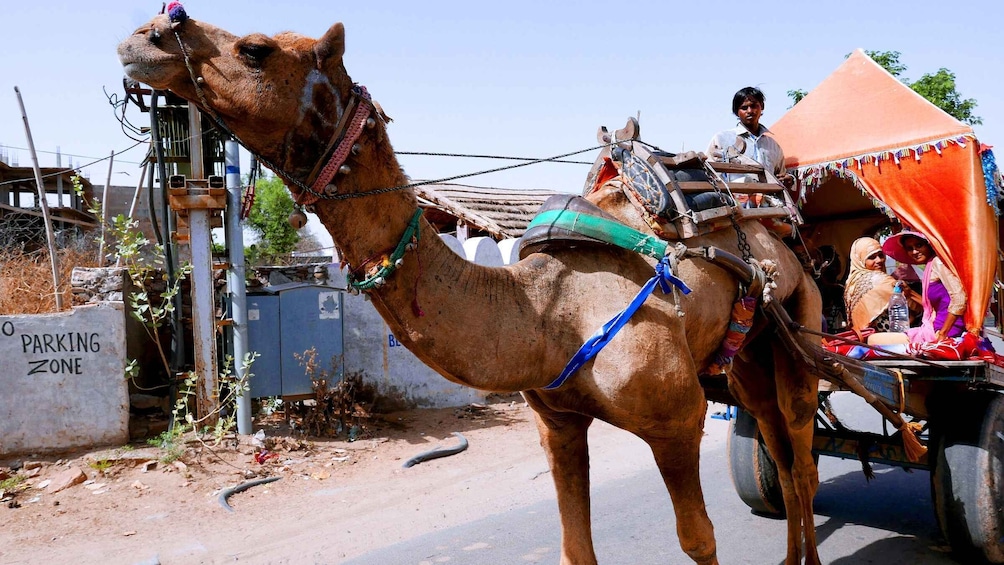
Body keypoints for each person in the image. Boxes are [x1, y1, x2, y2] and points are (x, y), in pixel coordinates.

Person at [882, 231, 968, 342]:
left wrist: (943, 334)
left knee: (875, 340)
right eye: (909, 248)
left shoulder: (938, 262)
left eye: (919, 245)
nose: (914, 251)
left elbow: (960, 299)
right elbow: (930, 306)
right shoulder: (930, 264)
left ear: (929, 245)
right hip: (935, 327)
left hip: (948, 330)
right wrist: (909, 293)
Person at [707, 86, 795, 194]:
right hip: (736, 205)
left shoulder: (773, 146)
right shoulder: (722, 139)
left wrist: (788, 179)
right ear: (736, 112)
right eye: (744, 108)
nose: (750, 111)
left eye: (754, 106)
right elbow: (709, 173)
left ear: (761, 107)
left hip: (769, 206)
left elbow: (781, 175)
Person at [843, 237, 921, 333]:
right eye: (871, 257)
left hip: (867, 338)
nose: (879, 260)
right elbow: (916, 308)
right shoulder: (881, 280)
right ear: (860, 260)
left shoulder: (852, 282)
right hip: (891, 337)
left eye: (881, 255)